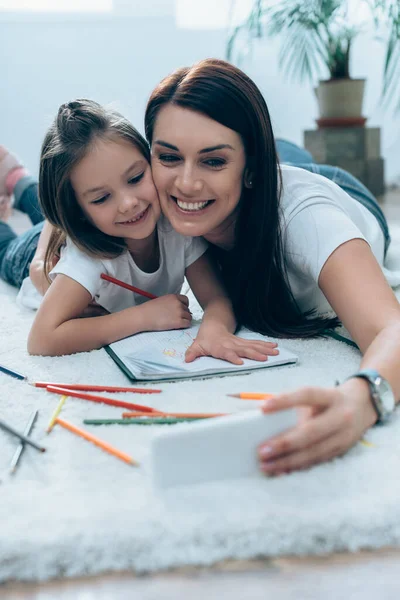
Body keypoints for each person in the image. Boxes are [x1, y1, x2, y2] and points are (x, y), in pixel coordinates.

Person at [144, 58, 400, 475]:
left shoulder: (307, 217)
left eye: (213, 161)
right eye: (169, 156)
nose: (186, 183)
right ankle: (20, 184)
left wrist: (363, 399)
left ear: (249, 169)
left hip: (335, 187)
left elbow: (391, 327)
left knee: (289, 162)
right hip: (264, 167)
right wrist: (56, 234)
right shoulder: (158, 189)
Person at [2, 98, 278, 362]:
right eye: (101, 198)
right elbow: (41, 340)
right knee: (5, 247)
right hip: (37, 252)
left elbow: (217, 298)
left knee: (40, 200)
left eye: (135, 178)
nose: (128, 203)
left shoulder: (176, 227)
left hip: (79, 222)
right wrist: (142, 318)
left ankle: (16, 179)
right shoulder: (86, 259)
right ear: (78, 212)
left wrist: (214, 330)